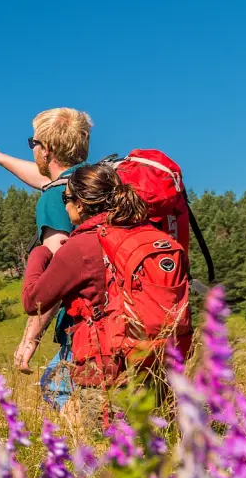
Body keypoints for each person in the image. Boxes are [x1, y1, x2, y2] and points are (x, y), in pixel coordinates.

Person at [19, 163, 192, 403]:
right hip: (158, 366)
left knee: (101, 438)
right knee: (156, 438)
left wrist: (40, 254)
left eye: (65, 198)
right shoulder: (148, 233)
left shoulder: (80, 246)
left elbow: (32, 301)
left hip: (104, 373)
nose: (65, 204)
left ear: (79, 204)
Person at [0, 107, 95, 405]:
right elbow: (46, 180)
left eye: (33, 143)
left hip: (88, 324)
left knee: (58, 390)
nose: (33, 148)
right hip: (130, 314)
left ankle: (94, 451)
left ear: (46, 150)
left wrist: (30, 340)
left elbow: (59, 276)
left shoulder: (56, 200)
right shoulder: (92, 184)